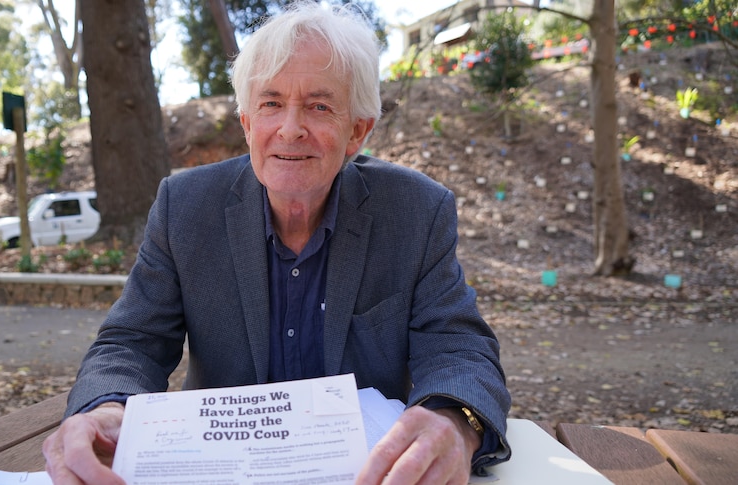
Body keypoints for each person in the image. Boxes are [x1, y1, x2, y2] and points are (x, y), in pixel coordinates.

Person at [43, 2, 511, 483]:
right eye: (270, 103)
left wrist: (455, 421)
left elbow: (459, 347)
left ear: (357, 132)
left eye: (319, 105)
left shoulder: (416, 211)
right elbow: (132, 341)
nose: (289, 128)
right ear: (247, 124)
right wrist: (107, 407)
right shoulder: (184, 207)